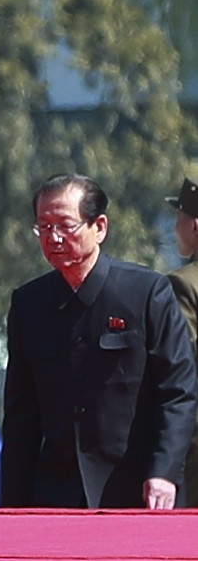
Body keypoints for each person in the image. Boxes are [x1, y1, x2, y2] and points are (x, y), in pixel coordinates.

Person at [1, 174, 196, 509]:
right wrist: (13, 505)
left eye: (65, 226)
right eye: (44, 227)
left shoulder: (146, 293)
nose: (54, 237)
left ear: (99, 227)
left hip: (137, 491)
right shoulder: (29, 304)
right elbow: (21, 417)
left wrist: (163, 471)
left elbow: (177, 392)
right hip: (56, 494)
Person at [164, 175, 198, 504]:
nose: (175, 229)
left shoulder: (183, 283)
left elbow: (182, 363)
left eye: (179, 220)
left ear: (195, 227)